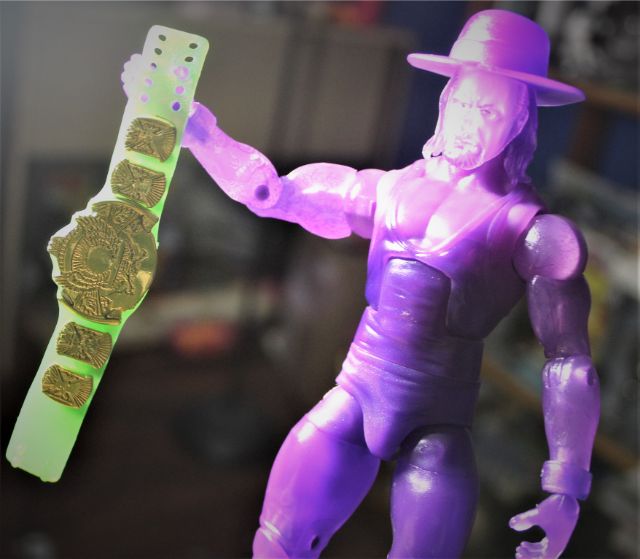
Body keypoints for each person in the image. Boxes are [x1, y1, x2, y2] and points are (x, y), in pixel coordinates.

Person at [123, 9, 600, 558]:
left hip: (439, 427)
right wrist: (199, 131)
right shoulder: (390, 190)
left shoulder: (534, 232)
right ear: (446, 101)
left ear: (519, 121)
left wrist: (567, 486)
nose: (470, 119)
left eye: (489, 109)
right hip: (353, 396)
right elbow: (272, 193)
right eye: (463, 101)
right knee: (275, 545)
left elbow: (569, 360)